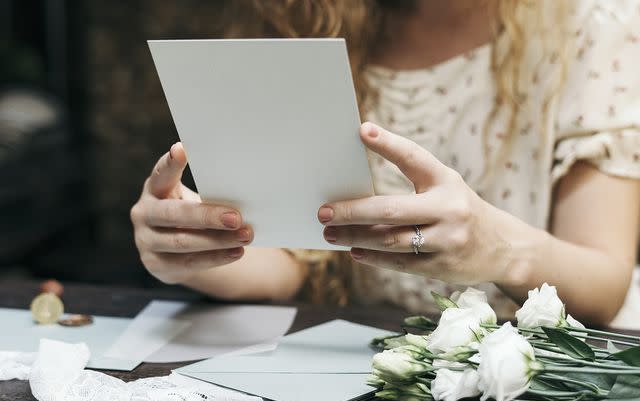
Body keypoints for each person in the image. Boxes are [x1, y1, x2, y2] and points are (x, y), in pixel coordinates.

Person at [130, 0, 640, 327]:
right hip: (373, 361)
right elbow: (297, 258)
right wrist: (192, 248)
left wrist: (497, 249)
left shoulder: (592, 29)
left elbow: (604, 289)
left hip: (543, 372)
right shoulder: (303, 16)